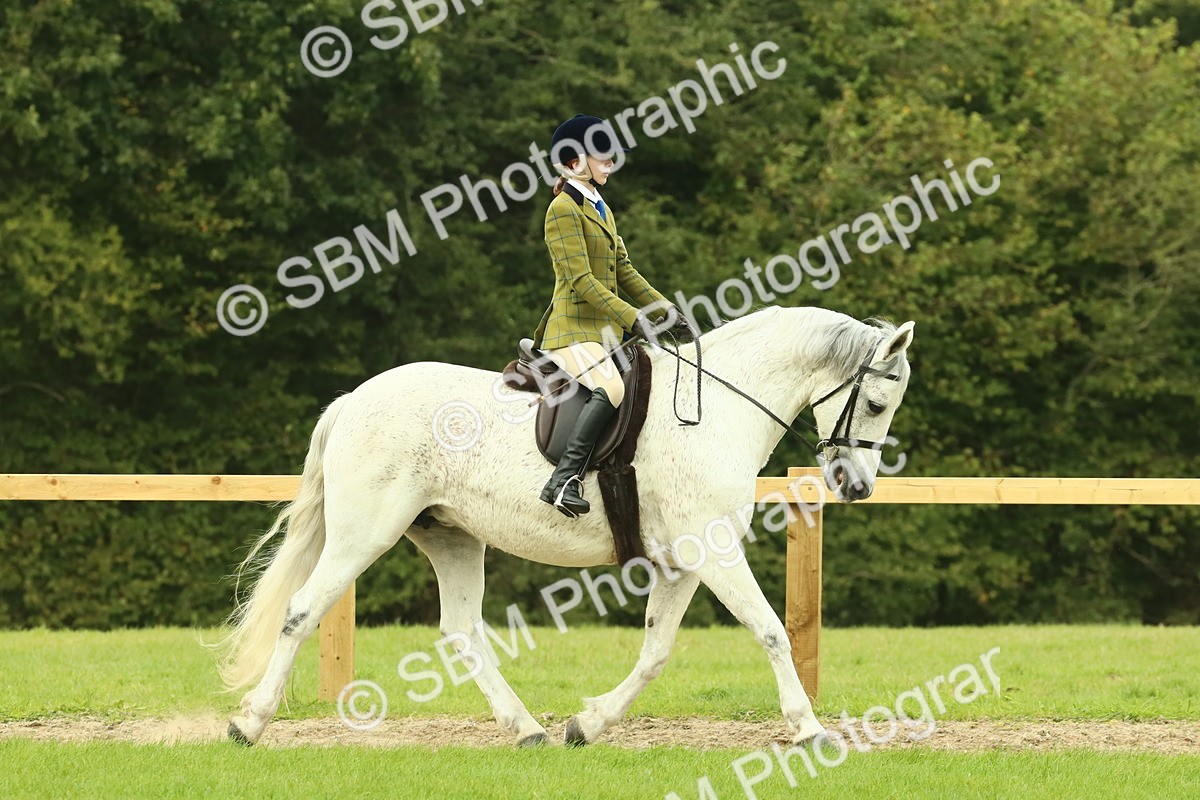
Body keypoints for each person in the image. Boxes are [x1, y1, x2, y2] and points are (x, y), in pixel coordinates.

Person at [531, 114, 679, 517]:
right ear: (575, 160)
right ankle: (563, 481)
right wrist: (634, 317)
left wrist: (668, 310)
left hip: (602, 330)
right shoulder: (562, 209)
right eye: (604, 155)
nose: (611, 162)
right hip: (570, 331)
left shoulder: (599, 207)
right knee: (612, 389)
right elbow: (581, 280)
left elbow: (624, 269)